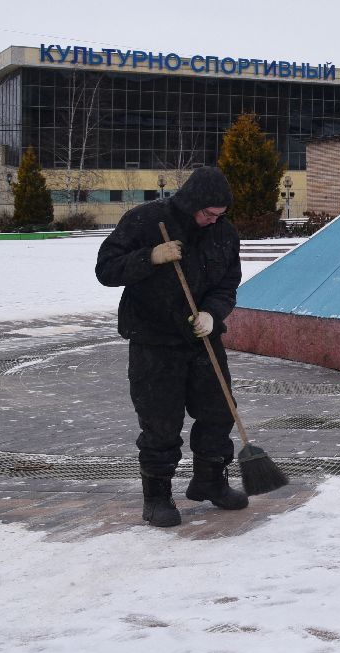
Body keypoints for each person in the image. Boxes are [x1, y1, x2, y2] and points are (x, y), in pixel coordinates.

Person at [95, 166, 246, 528]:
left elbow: (227, 284)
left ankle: (209, 480)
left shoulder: (224, 233)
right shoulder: (145, 221)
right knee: (161, 421)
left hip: (201, 338)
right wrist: (149, 257)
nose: (213, 221)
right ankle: (158, 497)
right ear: (192, 202)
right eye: (208, 213)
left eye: (219, 215)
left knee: (219, 411)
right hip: (153, 340)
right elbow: (106, 270)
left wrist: (212, 313)